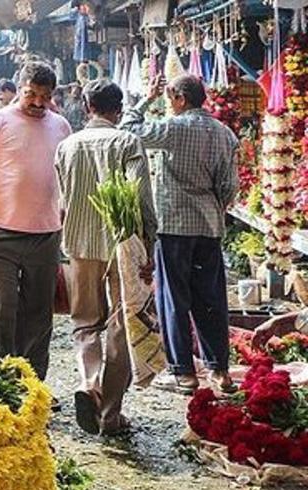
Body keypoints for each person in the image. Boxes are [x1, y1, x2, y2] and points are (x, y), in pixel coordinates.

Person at [122, 74, 239, 394]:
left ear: (179, 99)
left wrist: (146, 98)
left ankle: (184, 372)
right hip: (209, 226)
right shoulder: (224, 133)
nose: (167, 104)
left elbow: (128, 131)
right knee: (211, 297)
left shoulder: (174, 128)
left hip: (174, 225)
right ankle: (220, 371)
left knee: (174, 297)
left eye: (169, 98)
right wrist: (213, 207)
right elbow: (230, 186)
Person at [55, 79, 158, 436]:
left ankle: (89, 382)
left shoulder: (66, 146)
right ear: (117, 110)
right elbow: (141, 197)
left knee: (85, 324)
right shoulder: (128, 141)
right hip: (122, 245)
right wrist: (150, 243)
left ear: (87, 107)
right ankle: (110, 414)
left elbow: (63, 202)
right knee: (120, 323)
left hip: (79, 245)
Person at [0, 62, 71, 380]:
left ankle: (31, 384)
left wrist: (62, 216)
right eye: (31, 95)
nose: (38, 102)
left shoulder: (62, 126)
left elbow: (66, 175)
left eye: (45, 96)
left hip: (45, 233)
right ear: (20, 89)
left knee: (38, 314)